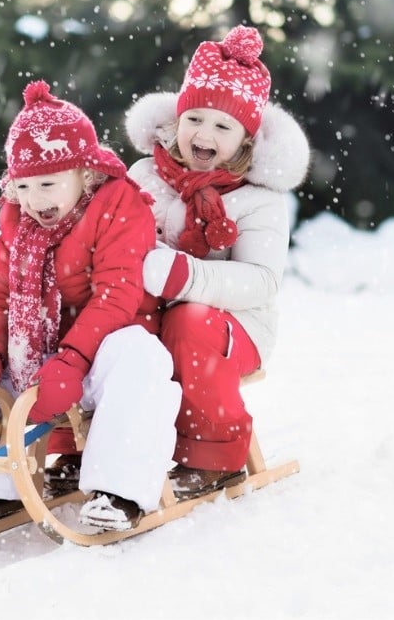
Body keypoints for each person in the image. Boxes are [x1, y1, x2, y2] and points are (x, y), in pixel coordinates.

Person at [0, 79, 182, 533]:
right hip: (41, 356)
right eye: (24, 187)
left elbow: (117, 295)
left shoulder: (120, 205)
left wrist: (73, 358)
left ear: (85, 173)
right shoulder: (17, 221)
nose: (35, 200)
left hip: (100, 349)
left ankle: (117, 490)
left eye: (48, 184)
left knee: (141, 356)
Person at [122, 25, 310, 499]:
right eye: (195, 120)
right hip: (151, 314)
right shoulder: (146, 174)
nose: (204, 135)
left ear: (246, 139)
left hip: (234, 329)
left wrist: (184, 276)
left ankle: (211, 454)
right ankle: (93, 446)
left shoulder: (258, 200)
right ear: (176, 119)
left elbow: (262, 281)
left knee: (190, 320)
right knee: (103, 321)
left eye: (223, 127)